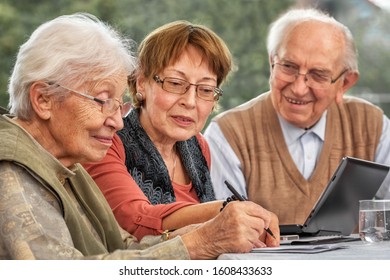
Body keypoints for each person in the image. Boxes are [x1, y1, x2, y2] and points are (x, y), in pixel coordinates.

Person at [0, 12, 279, 260]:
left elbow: (119, 248)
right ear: (43, 99)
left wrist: (202, 235)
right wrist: (203, 240)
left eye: (116, 103)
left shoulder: (65, 166)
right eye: (100, 100)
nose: (117, 122)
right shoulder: (11, 175)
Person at [83, 20, 279, 244]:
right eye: (175, 83)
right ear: (141, 84)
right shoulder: (107, 142)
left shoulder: (198, 146)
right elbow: (136, 222)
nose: (190, 101)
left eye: (205, 90)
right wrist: (225, 210)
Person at [204, 8, 390, 226]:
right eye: (289, 67)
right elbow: (225, 232)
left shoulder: (372, 124)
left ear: (345, 83)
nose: (299, 88)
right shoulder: (227, 134)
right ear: (272, 63)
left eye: (318, 75)